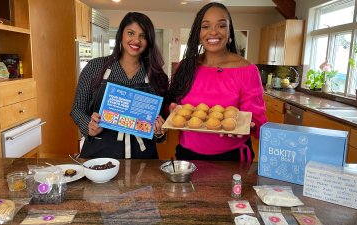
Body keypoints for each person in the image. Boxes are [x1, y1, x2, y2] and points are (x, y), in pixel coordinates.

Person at [167, 2, 267, 162]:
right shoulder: (185, 66)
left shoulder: (247, 71)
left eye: (221, 25)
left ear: (229, 32)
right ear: (198, 33)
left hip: (231, 159)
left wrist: (247, 125)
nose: (213, 32)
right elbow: (172, 105)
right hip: (187, 155)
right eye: (205, 26)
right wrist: (171, 108)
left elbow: (257, 119)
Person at [71, 12, 169, 159]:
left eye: (143, 36)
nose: (136, 40)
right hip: (99, 155)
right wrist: (89, 127)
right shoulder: (95, 67)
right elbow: (77, 109)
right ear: (120, 35)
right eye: (131, 33)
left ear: (149, 40)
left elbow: (162, 121)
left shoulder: (157, 76)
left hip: (143, 158)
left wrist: (159, 131)